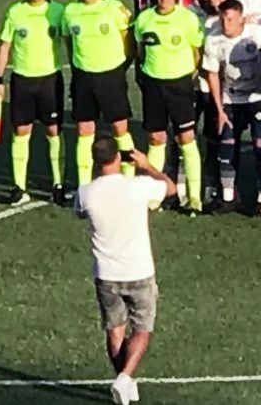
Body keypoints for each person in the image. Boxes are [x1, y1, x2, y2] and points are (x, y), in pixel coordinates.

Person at [74, 137, 176, 405]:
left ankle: (124, 381)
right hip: (139, 269)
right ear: (117, 158)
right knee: (142, 329)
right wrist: (148, 166)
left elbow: (79, 211)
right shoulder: (137, 187)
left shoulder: (86, 193)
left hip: (106, 274)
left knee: (114, 329)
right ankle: (125, 376)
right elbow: (170, 188)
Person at [133, 0, 205, 216]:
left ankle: (194, 197)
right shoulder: (144, 19)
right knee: (156, 139)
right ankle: (154, 195)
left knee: (186, 138)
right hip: (154, 85)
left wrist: (187, 76)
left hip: (180, 86)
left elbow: (197, 52)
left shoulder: (187, 19)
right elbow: (140, 51)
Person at [0, 0, 67, 205]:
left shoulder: (58, 12)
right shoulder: (16, 12)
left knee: (53, 130)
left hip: (50, 80)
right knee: (21, 131)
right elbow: (4, 46)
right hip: (23, 80)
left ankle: (57, 184)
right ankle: (19, 187)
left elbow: (70, 43)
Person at [62, 0, 136, 186]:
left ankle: (128, 180)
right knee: (84, 130)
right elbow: (69, 42)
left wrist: (121, 66)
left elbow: (129, 41)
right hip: (84, 77)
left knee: (119, 128)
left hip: (110, 76)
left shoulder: (114, 8)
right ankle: (84, 185)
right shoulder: (70, 11)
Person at [202, 0, 261, 213]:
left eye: (231, 19)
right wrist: (220, 109)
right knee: (227, 147)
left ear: (241, 19)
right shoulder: (214, 40)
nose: (226, 24)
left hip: (257, 99)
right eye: (223, 19)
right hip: (230, 101)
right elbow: (212, 74)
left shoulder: (258, 35)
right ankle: (228, 197)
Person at [189, 0, 229, 204]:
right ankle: (183, 182)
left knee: (214, 137)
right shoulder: (192, 15)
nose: (221, 1)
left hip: (215, 88)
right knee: (186, 136)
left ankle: (212, 183)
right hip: (194, 86)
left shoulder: (227, 17)